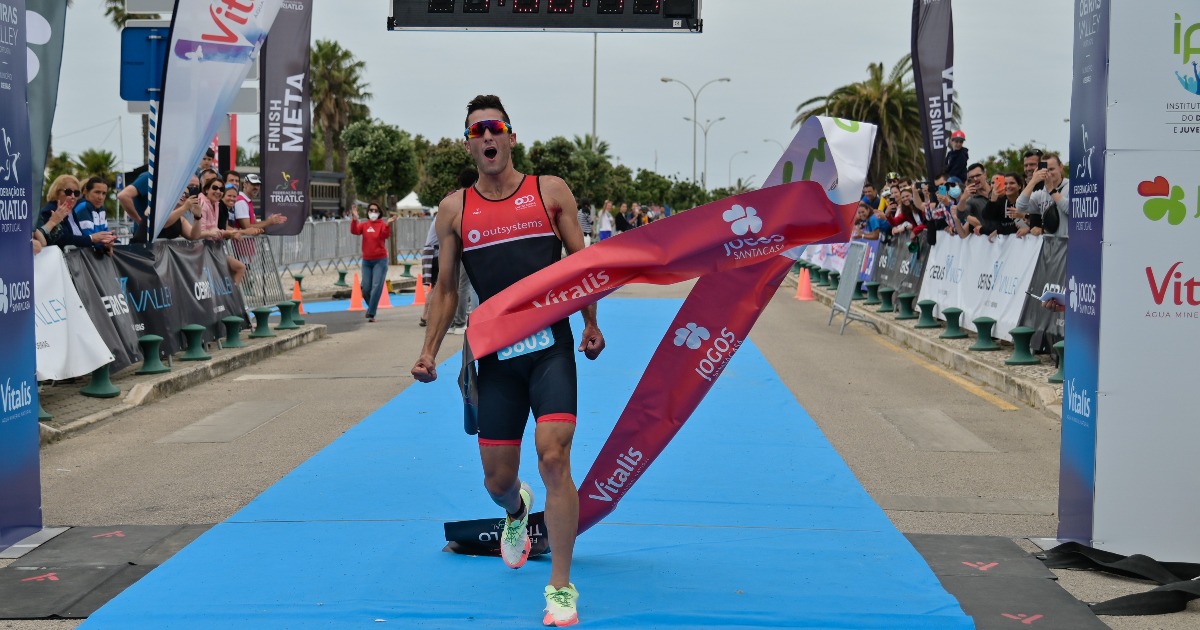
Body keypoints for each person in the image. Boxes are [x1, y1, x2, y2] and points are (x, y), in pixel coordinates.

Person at [410, 94, 604, 628]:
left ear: (511, 137)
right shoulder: (456, 209)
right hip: (492, 359)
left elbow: (583, 264)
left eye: (495, 128)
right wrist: (428, 351)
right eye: (477, 131)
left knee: (554, 458)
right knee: (498, 480)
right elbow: (447, 289)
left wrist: (590, 323)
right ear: (469, 143)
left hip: (549, 349)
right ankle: (516, 510)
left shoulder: (549, 191)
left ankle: (561, 587)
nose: (487, 137)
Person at [350, 202, 394, 322]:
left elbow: (385, 235)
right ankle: (371, 308)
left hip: (380, 260)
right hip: (367, 261)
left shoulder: (381, 225)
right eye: (371, 210)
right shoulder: (364, 225)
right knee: (365, 288)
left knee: (376, 287)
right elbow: (355, 231)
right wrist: (354, 219)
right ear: (368, 212)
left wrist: (388, 224)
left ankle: (371, 313)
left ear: (379, 213)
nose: (373, 213)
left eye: (375, 211)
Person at [73, 176, 116, 255]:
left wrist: (110, 241)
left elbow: (105, 235)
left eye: (104, 193)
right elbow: (89, 238)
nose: (101, 197)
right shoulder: (83, 207)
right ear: (86, 191)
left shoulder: (101, 209)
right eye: (97, 192)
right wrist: (105, 245)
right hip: (82, 256)